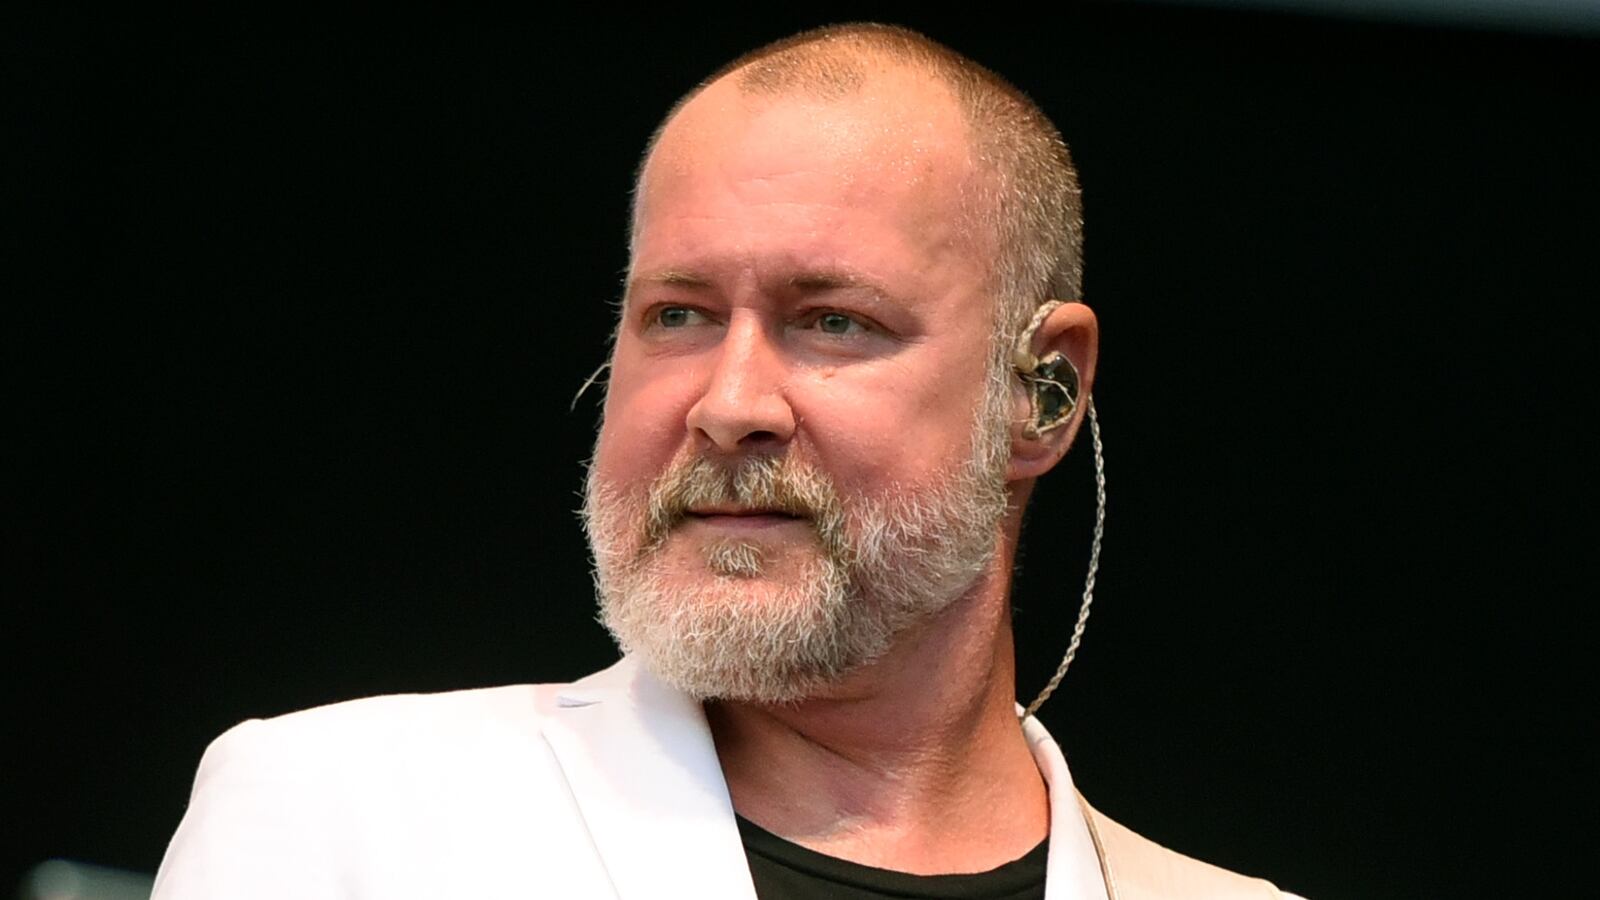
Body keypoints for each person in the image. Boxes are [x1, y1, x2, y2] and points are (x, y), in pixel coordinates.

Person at [153, 24, 1300, 900]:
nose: (729, 405)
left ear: (1040, 391)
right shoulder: (343, 818)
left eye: (833, 321)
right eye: (679, 315)